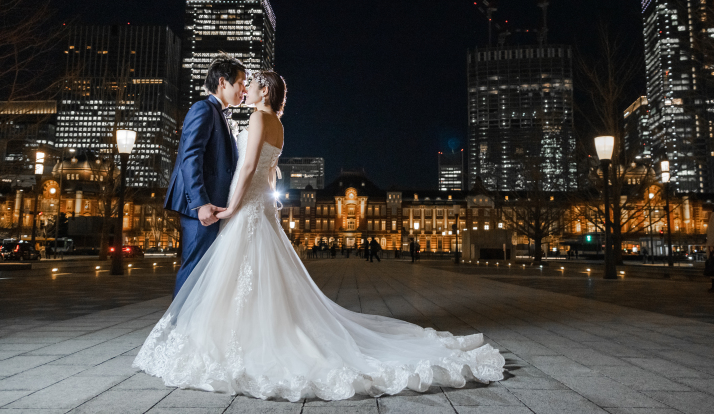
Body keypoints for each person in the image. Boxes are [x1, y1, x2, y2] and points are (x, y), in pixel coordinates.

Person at [134, 70, 504, 401]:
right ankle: (248, 332)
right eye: (241, 83)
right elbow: (271, 173)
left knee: (235, 275)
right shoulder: (277, 122)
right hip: (259, 206)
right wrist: (263, 200)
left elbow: (249, 166)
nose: (245, 88)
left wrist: (232, 207)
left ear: (264, 91)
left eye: (251, 84)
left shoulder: (260, 117)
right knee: (259, 277)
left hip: (246, 207)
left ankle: (224, 337)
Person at [164, 55, 247, 297]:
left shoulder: (220, 114)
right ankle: (178, 328)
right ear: (223, 82)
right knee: (195, 268)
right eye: (241, 83)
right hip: (201, 206)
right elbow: (191, 157)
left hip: (214, 205)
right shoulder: (203, 109)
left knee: (205, 270)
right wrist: (200, 203)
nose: (244, 89)